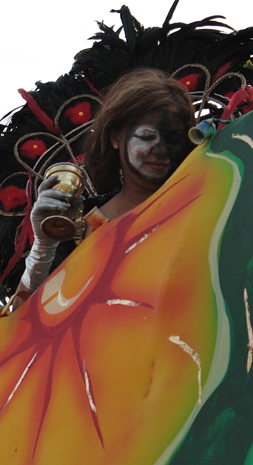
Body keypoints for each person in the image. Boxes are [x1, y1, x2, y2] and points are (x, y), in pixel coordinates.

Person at [17, 68, 196, 297]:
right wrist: (43, 249)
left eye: (174, 138)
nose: (161, 150)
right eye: (147, 136)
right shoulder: (80, 227)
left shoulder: (206, 201)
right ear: (116, 137)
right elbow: (26, 323)